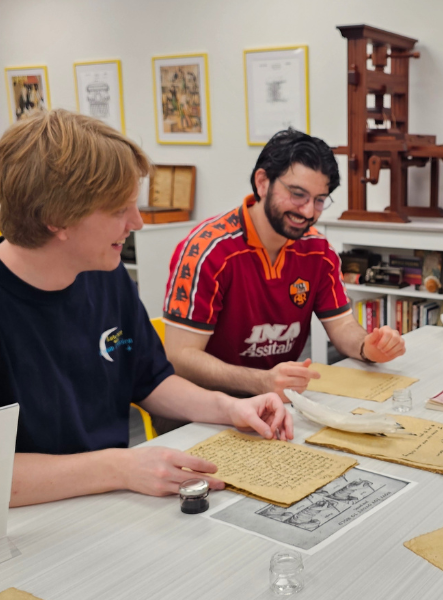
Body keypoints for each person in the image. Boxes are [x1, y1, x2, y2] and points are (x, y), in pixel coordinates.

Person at [0, 109, 293, 508]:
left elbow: (151, 381)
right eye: (119, 210)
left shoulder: (105, 273)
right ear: (56, 219)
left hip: (110, 500)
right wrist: (119, 468)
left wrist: (231, 407)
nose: (137, 222)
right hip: (31, 521)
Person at [162, 129, 405, 401]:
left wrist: (366, 346)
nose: (308, 211)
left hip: (276, 400)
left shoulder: (319, 251)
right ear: (262, 182)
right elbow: (179, 357)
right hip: (201, 406)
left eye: (319, 200)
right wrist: (260, 382)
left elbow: (342, 327)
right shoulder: (207, 251)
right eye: (298, 194)